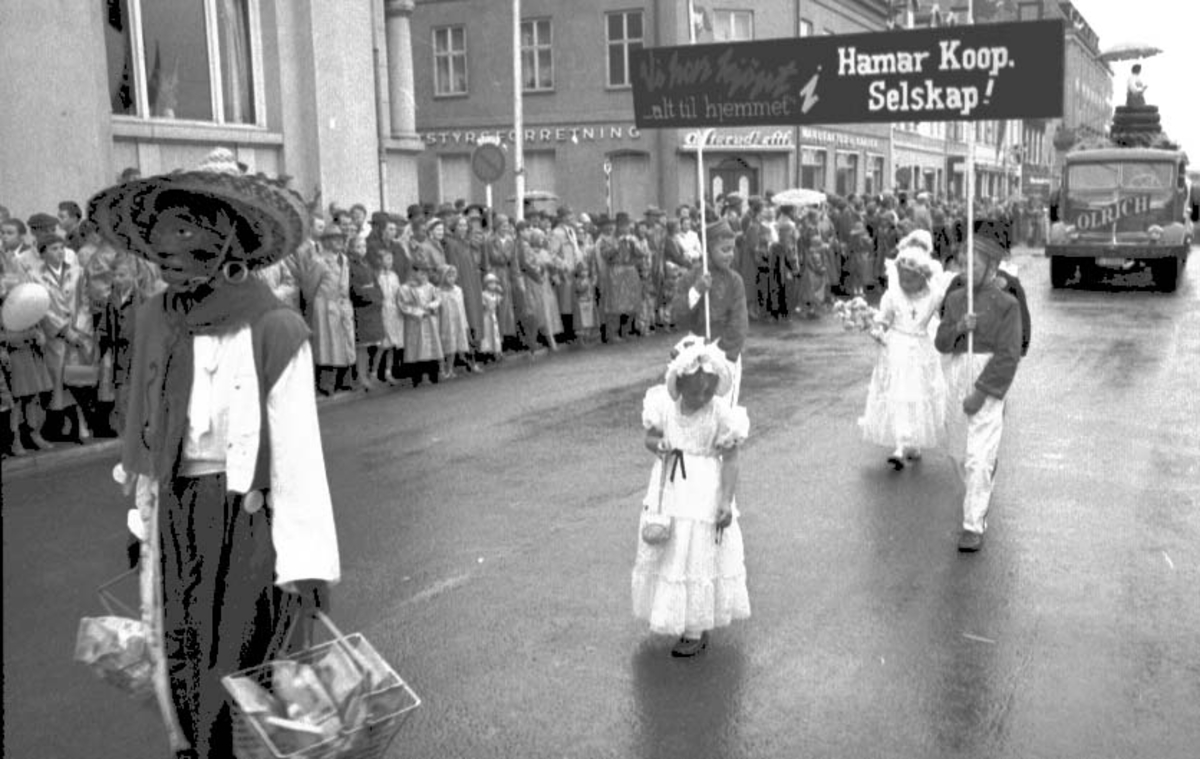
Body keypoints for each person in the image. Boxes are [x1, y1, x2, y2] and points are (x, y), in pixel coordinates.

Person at [87, 149, 340, 757]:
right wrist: (141, 518)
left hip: (245, 519)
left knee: (240, 661)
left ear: (226, 247)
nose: (171, 272)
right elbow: (148, 428)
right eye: (162, 258)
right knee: (178, 653)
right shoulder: (156, 320)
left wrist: (304, 564)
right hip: (173, 512)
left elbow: (299, 458)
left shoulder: (272, 328)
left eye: (188, 254)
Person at [632, 338, 751, 657]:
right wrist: (657, 445)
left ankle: (695, 627)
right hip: (670, 489)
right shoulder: (665, 407)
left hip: (703, 491)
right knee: (671, 548)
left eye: (708, 391)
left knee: (696, 551)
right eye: (695, 390)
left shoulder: (721, 414)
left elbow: (732, 459)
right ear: (678, 383)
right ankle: (670, 612)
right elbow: (650, 436)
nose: (702, 397)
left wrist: (726, 500)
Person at [935, 235, 1023, 553]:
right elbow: (941, 343)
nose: (967, 270)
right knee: (959, 455)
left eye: (975, 264)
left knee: (977, 460)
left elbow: (1008, 355)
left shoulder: (1006, 305)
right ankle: (981, 483)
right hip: (957, 376)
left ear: (991, 267)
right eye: (963, 264)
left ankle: (973, 523)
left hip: (986, 383)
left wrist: (983, 393)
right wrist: (958, 327)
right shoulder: (957, 299)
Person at [859, 238, 952, 469]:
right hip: (896, 349)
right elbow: (884, 318)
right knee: (899, 395)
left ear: (923, 277)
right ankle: (901, 443)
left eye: (911, 280)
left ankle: (913, 441)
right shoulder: (893, 294)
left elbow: (948, 316)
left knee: (917, 396)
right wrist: (878, 330)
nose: (905, 283)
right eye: (902, 278)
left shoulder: (934, 296)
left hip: (920, 350)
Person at [670, 220, 749, 404]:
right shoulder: (691, 277)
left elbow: (739, 324)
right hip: (696, 351)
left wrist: (721, 353)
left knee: (723, 408)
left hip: (724, 353)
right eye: (724, 250)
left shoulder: (735, 281)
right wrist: (697, 290)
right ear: (708, 251)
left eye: (732, 249)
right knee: (698, 408)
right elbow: (678, 315)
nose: (730, 255)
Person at [396, 263, 443, 387]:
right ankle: (417, 376)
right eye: (420, 273)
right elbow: (403, 305)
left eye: (425, 273)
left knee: (431, 346)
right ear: (413, 273)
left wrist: (432, 306)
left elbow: (438, 298)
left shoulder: (430, 287)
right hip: (415, 322)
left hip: (429, 320)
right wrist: (419, 312)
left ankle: (433, 373)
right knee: (416, 347)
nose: (423, 276)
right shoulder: (405, 289)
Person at [437, 263, 474, 378]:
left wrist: (465, 324)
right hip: (444, 322)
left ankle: (450, 368)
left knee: (454, 346)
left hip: (458, 321)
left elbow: (462, 308)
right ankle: (442, 369)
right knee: (444, 346)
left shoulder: (458, 290)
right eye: (449, 276)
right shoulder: (438, 292)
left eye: (453, 276)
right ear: (442, 277)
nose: (451, 279)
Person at [376, 248, 405, 384]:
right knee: (383, 344)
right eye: (387, 259)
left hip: (394, 310)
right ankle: (374, 372)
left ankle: (389, 371)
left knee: (393, 343)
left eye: (391, 259)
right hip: (383, 310)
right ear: (380, 261)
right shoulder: (377, 276)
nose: (390, 261)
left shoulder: (394, 276)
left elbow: (398, 291)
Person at [479, 272, 504, 363]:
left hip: (493, 316)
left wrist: (499, 291)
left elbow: (499, 301)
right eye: (490, 283)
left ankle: (497, 352)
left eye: (494, 283)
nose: (492, 285)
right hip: (486, 316)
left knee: (496, 334)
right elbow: (483, 305)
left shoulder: (496, 295)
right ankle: (488, 353)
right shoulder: (484, 294)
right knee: (488, 334)